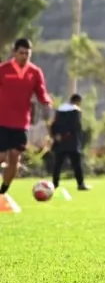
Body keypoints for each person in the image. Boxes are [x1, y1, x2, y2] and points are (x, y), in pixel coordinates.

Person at [0, 38, 52, 197]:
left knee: (15, 157)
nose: (24, 56)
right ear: (14, 52)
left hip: (21, 122)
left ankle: (3, 191)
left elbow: (41, 92)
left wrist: (46, 103)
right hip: (1, 120)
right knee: (1, 155)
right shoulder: (4, 69)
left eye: (27, 54)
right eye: (21, 53)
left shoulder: (35, 72)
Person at [50, 93, 90, 191]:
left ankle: (54, 184)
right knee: (77, 164)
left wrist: (56, 135)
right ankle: (81, 184)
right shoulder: (75, 111)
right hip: (72, 142)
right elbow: (75, 126)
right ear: (78, 101)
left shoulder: (60, 110)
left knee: (57, 165)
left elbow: (53, 125)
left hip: (60, 142)